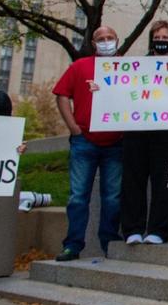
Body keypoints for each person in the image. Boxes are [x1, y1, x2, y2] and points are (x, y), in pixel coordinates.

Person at [52, 26, 124, 261]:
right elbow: (62, 95)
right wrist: (72, 126)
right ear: (94, 44)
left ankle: (109, 241)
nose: (105, 42)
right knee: (78, 196)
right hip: (84, 141)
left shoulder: (128, 68)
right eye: (100, 39)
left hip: (116, 143)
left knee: (112, 196)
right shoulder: (80, 66)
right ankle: (73, 245)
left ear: (117, 40)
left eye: (109, 38)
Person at [120, 21, 168, 245]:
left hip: (166, 133)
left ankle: (158, 230)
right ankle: (132, 229)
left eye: (166, 39)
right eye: (158, 38)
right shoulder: (137, 66)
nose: (161, 42)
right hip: (136, 130)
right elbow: (120, 91)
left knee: (164, 181)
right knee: (133, 180)